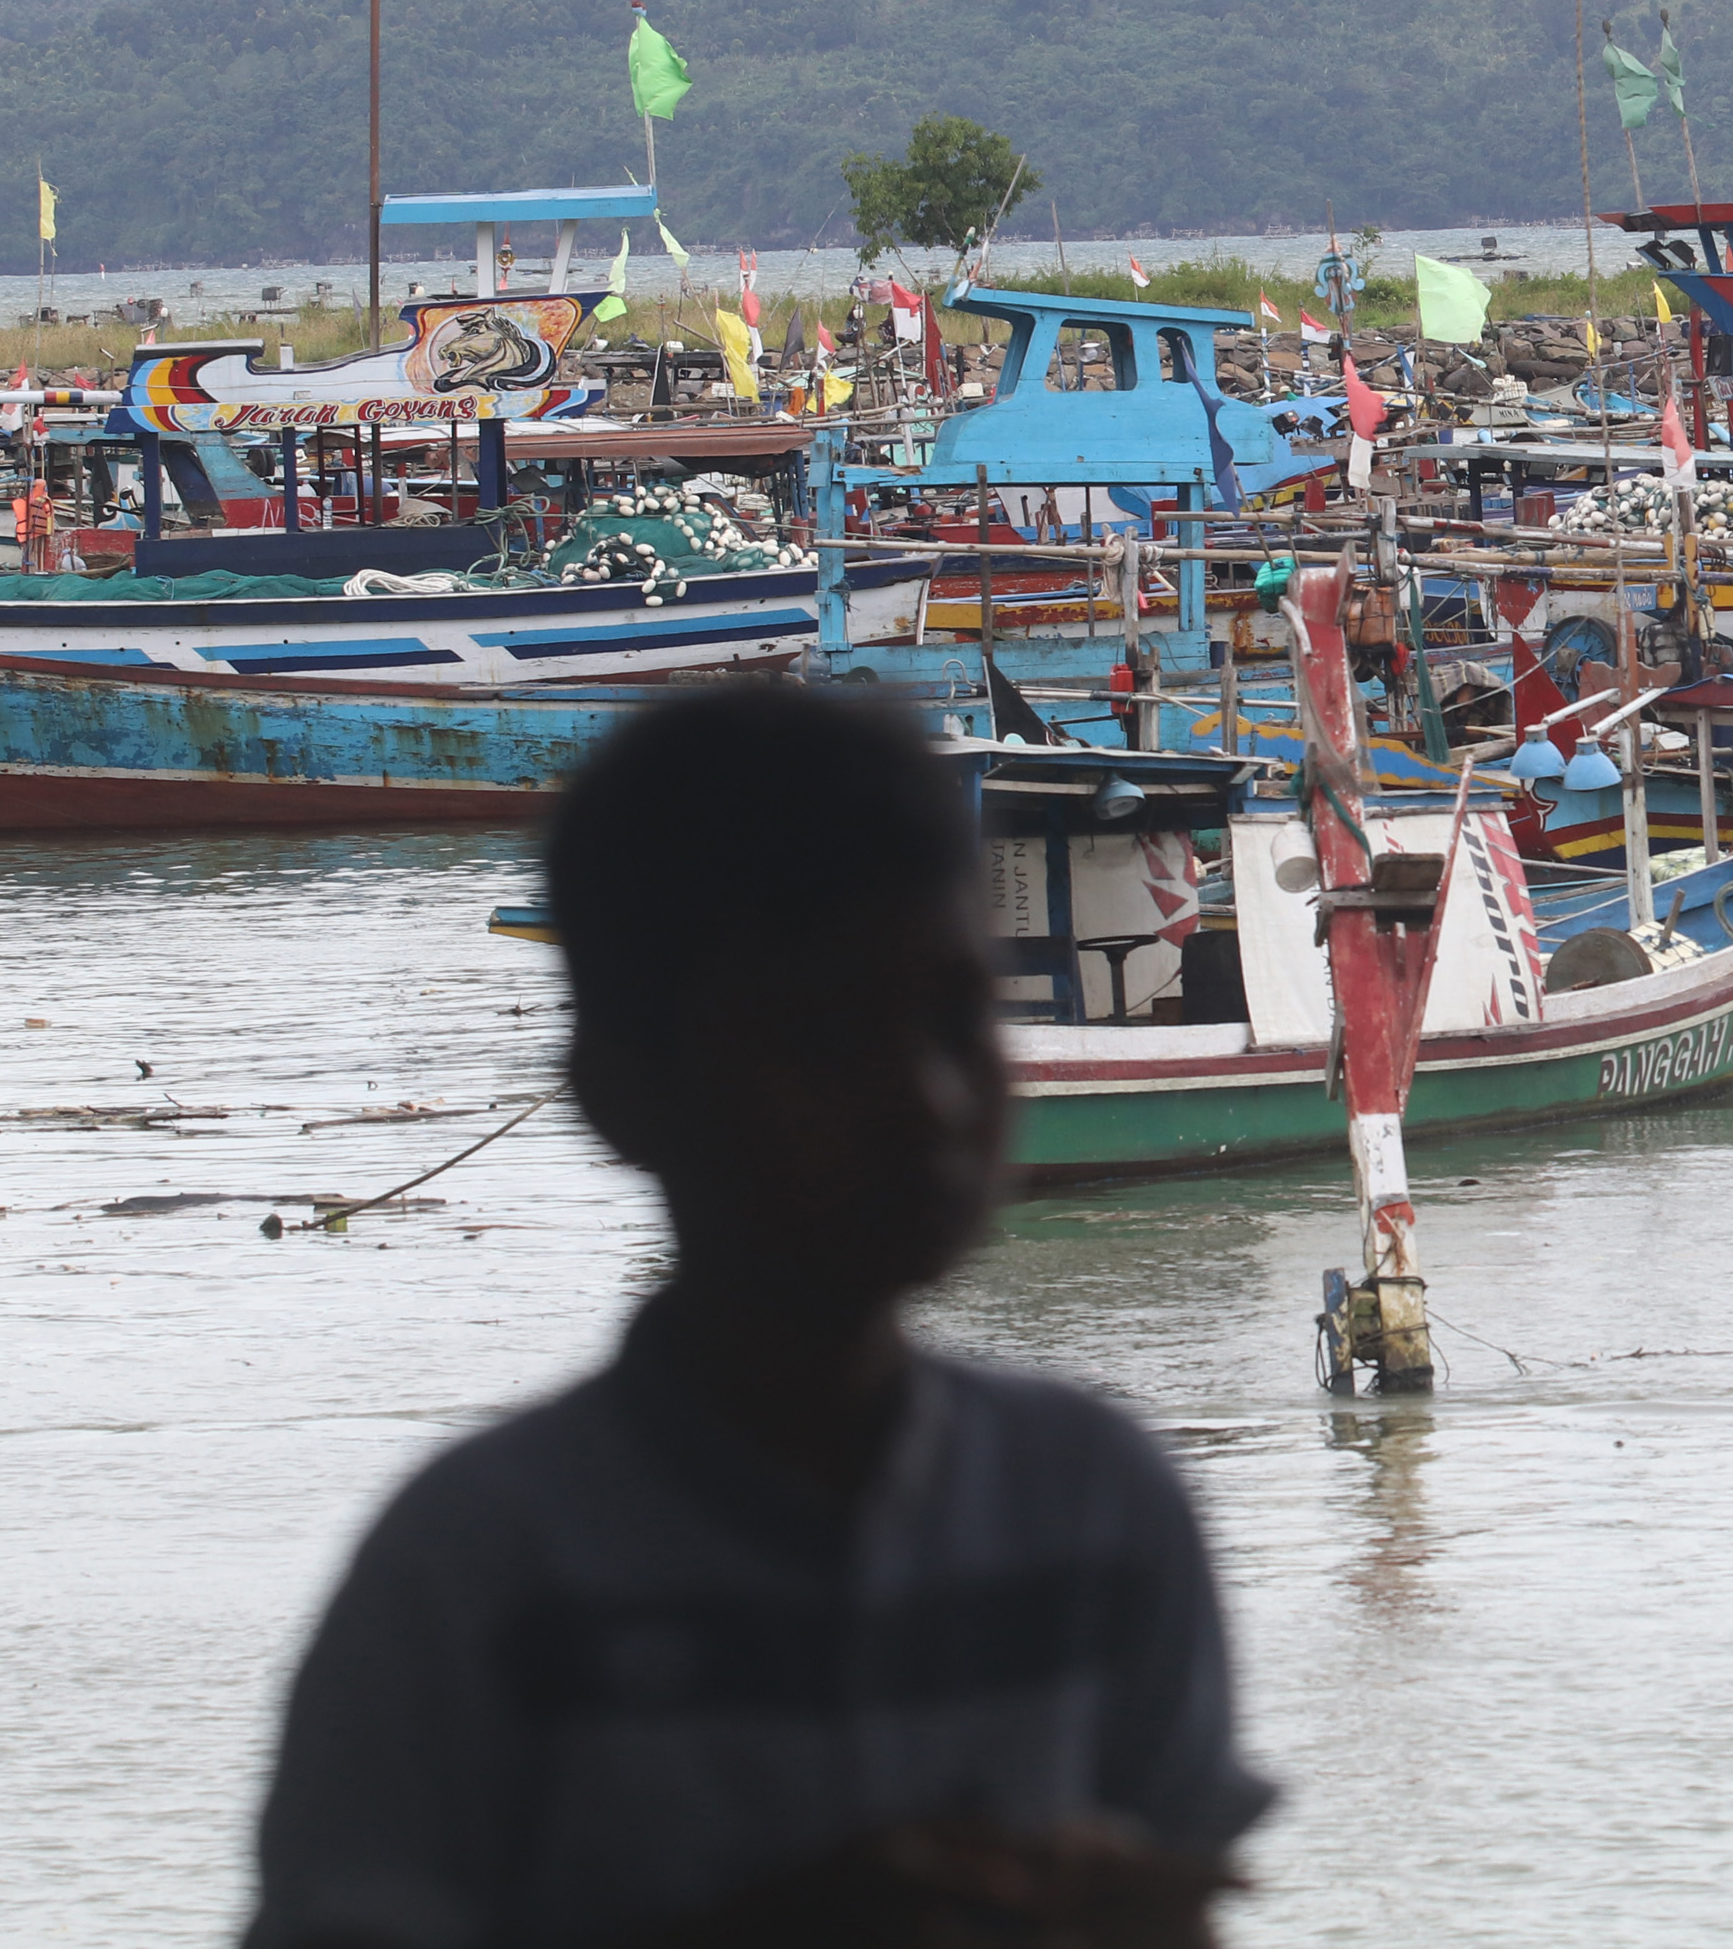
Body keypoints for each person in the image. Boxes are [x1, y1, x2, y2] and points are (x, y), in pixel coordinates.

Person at [246, 686, 1270, 1949]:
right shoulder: (478, 1576)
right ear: (620, 1090)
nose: (929, 1097)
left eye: (959, 1015)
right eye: (828, 1034)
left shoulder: (1099, 1506)